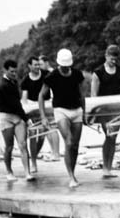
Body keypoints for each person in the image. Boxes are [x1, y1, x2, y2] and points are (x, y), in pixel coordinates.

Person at [39, 48, 86, 188]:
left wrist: (85, 112)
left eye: (68, 66)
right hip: (61, 111)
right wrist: (43, 117)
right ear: (59, 64)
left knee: (76, 146)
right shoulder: (51, 76)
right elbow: (41, 96)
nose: (66, 68)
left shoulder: (77, 74)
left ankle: (73, 173)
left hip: (77, 110)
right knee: (69, 142)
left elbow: (82, 94)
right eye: (63, 66)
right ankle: (71, 177)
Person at [91, 44, 120, 178]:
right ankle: (106, 168)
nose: (114, 61)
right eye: (111, 58)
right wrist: (94, 114)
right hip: (103, 110)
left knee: (113, 137)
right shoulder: (98, 72)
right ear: (106, 56)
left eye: (116, 59)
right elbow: (94, 94)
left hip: (117, 109)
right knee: (109, 136)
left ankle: (108, 168)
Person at [0, 59, 34, 182]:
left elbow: (17, 104)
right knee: (9, 146)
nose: (14, 74)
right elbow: (15, 105)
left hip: (17, 116)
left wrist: (22, 118)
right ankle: (9, 172)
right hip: (6, 117)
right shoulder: (3, 86)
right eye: (12, 72)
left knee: (23, 144)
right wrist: (26, 119)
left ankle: (27, 172)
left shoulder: (14, 82)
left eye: (15, 72)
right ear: (5, 70)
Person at [21, 56, 55, 173]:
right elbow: (24, 99)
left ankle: (34, 155)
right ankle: (34, 163)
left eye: (38, 64)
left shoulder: (46, 74)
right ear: (29, 66)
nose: (37, 67)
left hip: (45, 106)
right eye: (35, 65)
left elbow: (54, 85)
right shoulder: (25, 80)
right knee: (32, 136)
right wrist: (25, 112)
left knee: (42, 136)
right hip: (32, 108)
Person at [38, 54, 60, 159]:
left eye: (41, 64)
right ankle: (53, 151)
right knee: (47, 128)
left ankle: (56, 152)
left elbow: (53, 90)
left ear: (47, 63)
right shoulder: (43, 74)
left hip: (51, 103)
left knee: (52, 128)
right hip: (46, 102)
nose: (39, 66)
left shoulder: (51, 73)